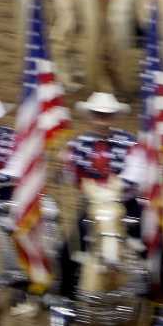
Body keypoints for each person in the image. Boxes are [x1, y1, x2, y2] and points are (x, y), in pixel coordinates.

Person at [59, 92, 140, 299]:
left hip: (125, 203)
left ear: (115, 117)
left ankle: (156, 303)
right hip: (93, 206)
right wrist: (66, 167)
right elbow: (71, 176)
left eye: (107, 116)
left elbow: (136, 172)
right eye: (97, 115)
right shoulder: (78, 144)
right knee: (66, 251)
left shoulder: (131, 142)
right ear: (89, 116)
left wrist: (115, 188)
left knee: (154, 247)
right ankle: (66, 300)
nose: (102, 120)